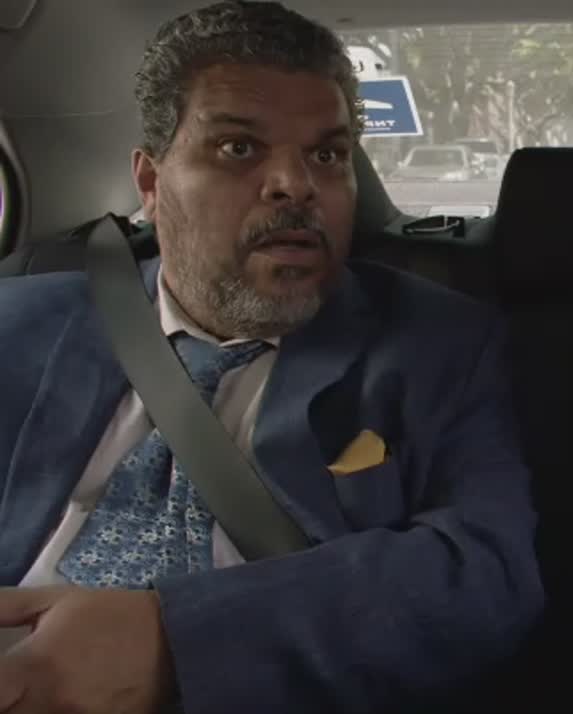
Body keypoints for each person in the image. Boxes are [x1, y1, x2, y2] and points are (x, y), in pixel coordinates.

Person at [0, 2, 543, 713]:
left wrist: (173, 643)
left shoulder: (439, 345)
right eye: (238, 148)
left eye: (327, 155)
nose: (296, 184)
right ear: (151, 184)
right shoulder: (17, 324)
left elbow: (485, 578)